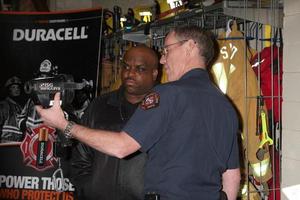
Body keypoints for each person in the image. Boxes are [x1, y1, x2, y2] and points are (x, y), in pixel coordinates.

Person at [36, 25, 241, 200]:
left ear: (190, 47)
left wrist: (64, 125)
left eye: (167, 50)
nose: (162, 60)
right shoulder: (226, 107)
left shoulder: (168, 94)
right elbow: (232, 177)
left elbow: (122, 147)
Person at [70, 45, 159, 200]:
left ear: (155, 73)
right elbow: (80, 157)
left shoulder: (164, 108)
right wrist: (88, 189)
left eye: (140, 69)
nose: (130, 73)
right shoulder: (99, 106)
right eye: (126, 67)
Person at [0, 76, 24, 143]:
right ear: (9, 90)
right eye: (13, 87)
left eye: (18, 87)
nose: (17, 89)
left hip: (19, 143)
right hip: (5, 143)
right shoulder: (3, 105)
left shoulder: (21, 107)